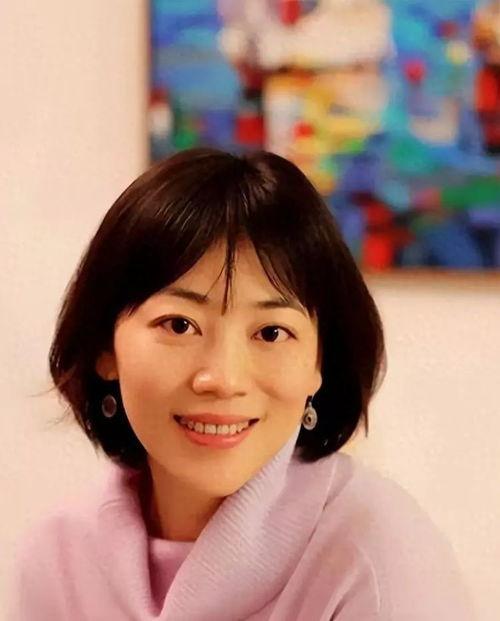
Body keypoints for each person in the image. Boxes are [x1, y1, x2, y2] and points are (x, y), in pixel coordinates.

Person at [8, 148, 475, 620]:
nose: (223, 379)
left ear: (320, 360)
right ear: (103, 349)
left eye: (271, 333)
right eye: (179, 325)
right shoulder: (57, 560)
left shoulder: (376, 556)